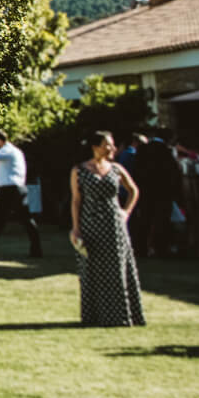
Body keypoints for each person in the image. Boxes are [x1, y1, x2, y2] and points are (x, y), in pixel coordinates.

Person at [70, 130, 145, 327]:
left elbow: (133, 190)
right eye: (107, 144)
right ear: (95, 147)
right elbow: (76, 201)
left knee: (117, 269)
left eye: (112, 145)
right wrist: (76, 228)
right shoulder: (79, 170)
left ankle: (120, 316)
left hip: (114, 225)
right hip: (91, 224)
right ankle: (95, 316)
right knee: (93, 270)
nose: (112, 148)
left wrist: (125, 212)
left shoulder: (116, 169)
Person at [0, 129, 40, 257]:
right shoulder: (15, 151)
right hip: (17, 188)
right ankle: (36, 250)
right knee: (26, 220)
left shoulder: (6, 150)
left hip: (10, 190)